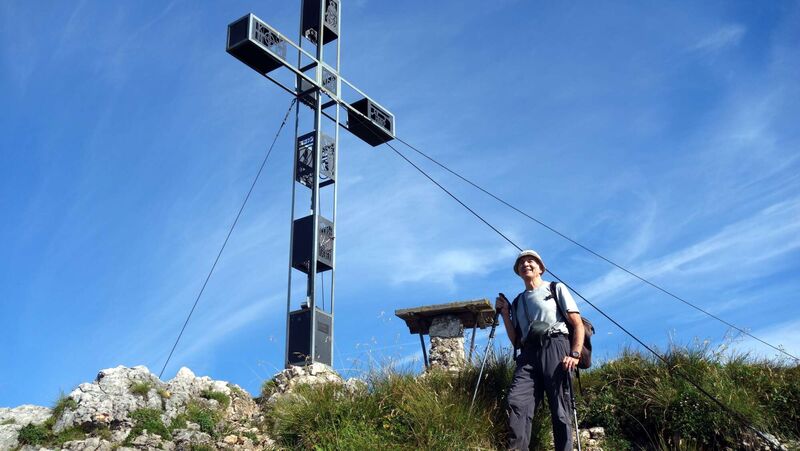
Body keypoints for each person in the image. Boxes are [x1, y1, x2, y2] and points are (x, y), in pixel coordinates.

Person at [496, 250, 585, 451]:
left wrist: (575, 354)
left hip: (555, 345)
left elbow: (577, 324)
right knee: (516, 401)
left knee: (559, 407)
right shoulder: (518, 301)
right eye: (521, 263)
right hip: (527, 353)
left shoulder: (555, 288)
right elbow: (517, 341)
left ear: (541, 268)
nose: (526, 264)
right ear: (518, 271)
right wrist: (505, 314)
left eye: (531, 261)